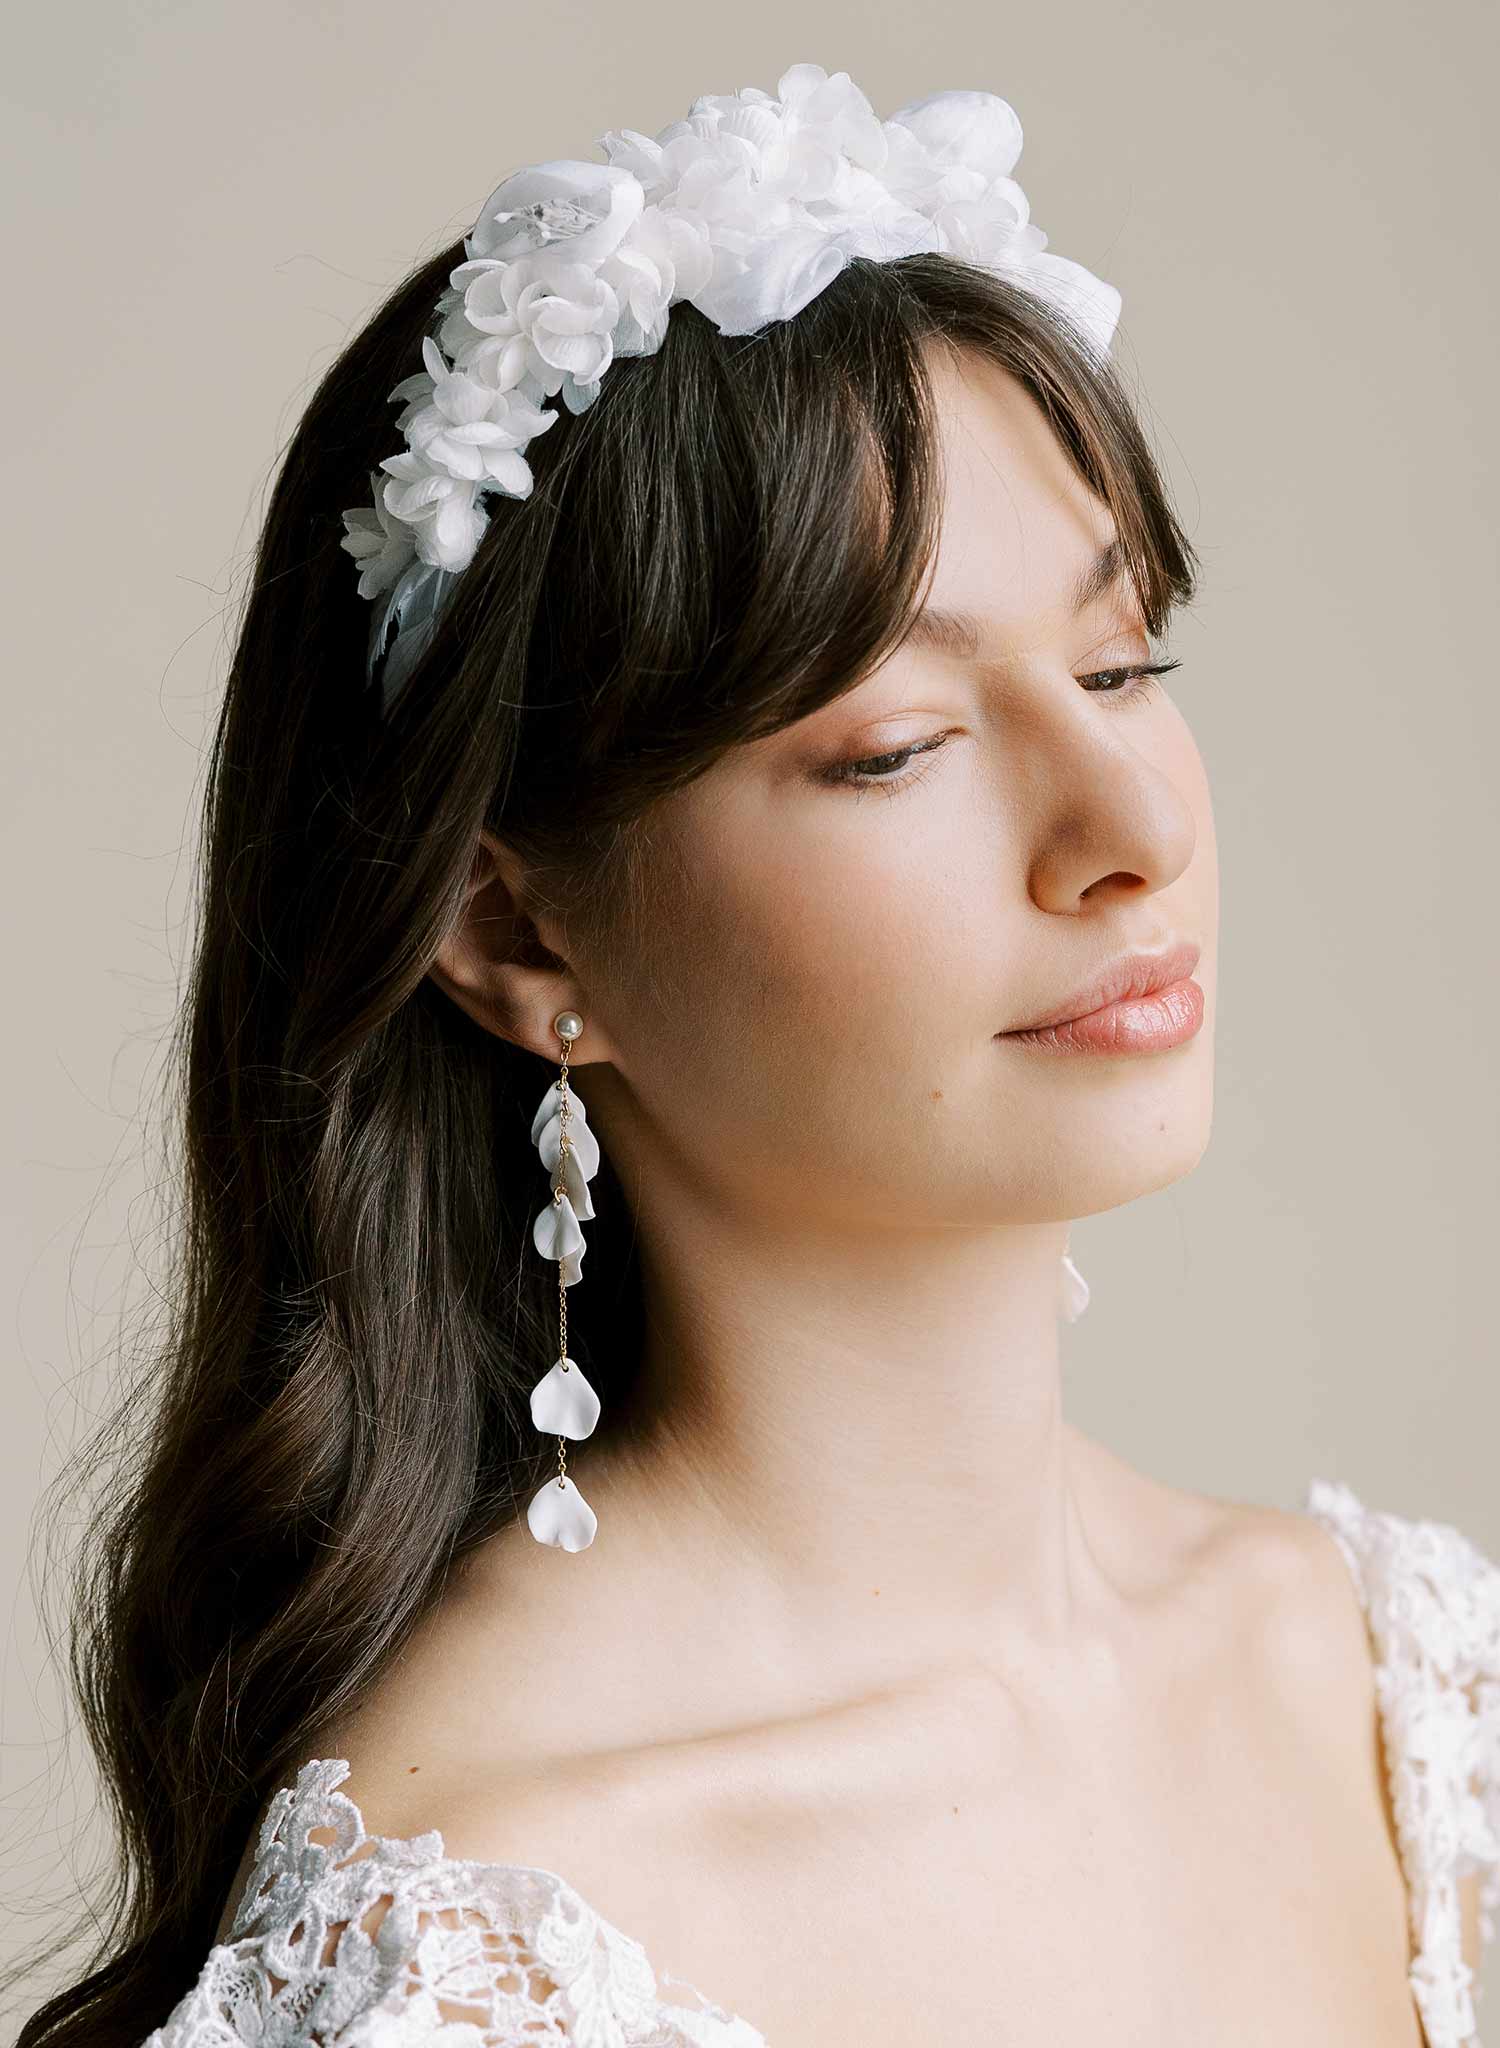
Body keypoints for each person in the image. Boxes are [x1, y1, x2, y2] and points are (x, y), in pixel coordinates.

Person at [15, 61, 1499, 2048]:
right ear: (519, 931)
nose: (1130, 828)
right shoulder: (468, 1950)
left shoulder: (1407, 1691)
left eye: (1124, 661)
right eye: (896, 745)